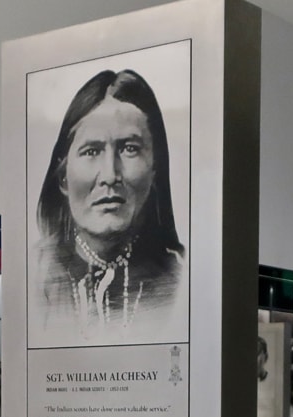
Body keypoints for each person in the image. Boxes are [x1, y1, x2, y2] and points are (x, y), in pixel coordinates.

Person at [34, 68, 183, 340]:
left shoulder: (181, 283)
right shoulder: (33, 277)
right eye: (91, 151)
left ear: (154, 171)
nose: (110, 176)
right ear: (63, 177)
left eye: (129, 148)